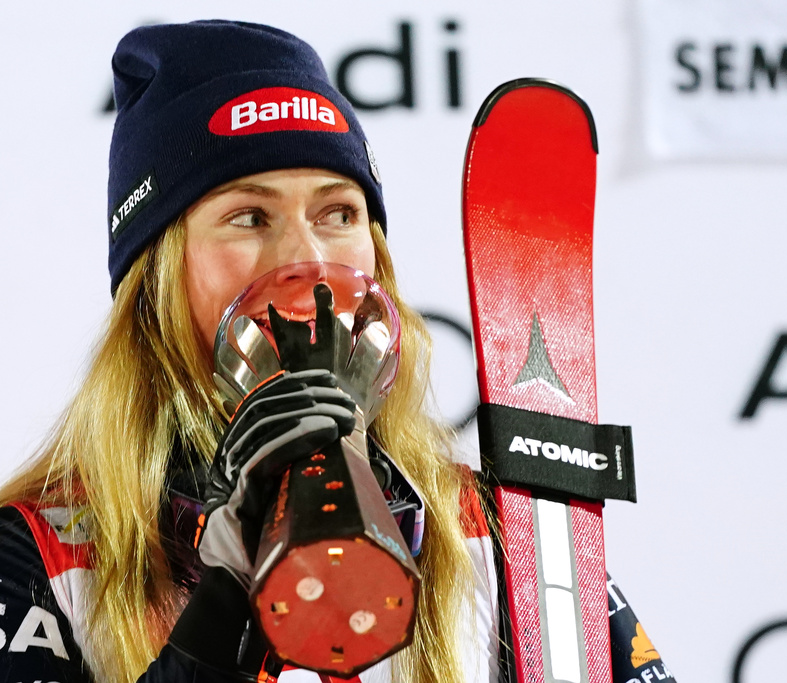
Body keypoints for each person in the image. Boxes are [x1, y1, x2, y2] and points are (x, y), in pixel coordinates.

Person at [0, 20, 496, 683]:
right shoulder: (43, 554)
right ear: (157, 277)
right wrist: (222, 607)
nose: (309, 259)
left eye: (338, 213)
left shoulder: (488, 534)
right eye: (249, 218)